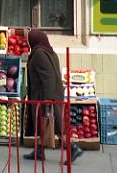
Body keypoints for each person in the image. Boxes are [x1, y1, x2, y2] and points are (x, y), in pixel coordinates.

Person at [23, 29, 83, 163]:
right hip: (51, 93)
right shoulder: (50, 52)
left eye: (30, 39)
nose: (28, 41)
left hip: (45, 95)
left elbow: (48, 75)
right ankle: (39, 151)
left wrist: (48, 99)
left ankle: (72, 148)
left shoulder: (38, 53)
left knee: (53, 124)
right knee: (42, 123)